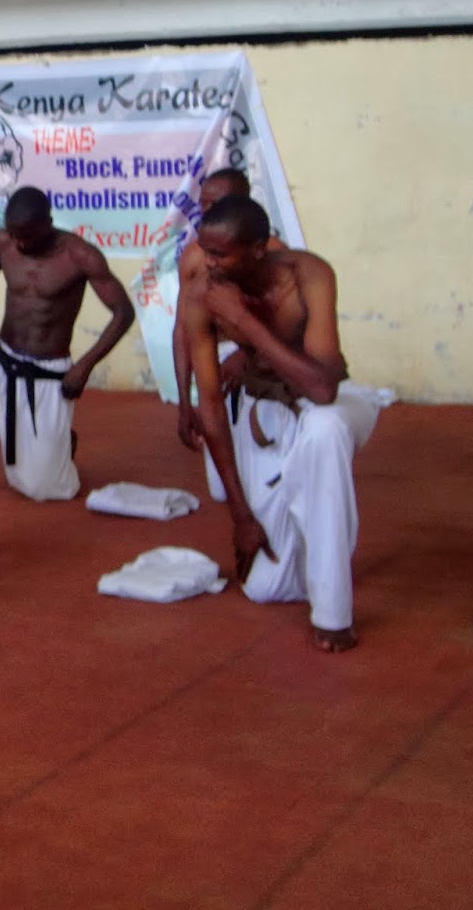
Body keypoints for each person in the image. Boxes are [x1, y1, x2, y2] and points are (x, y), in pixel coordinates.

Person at [182, 194, 377, 653]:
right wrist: (240, 516)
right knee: (266, 589)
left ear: (257, 249)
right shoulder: (201, 294)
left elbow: (324, 388)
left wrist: (243, 323)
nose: (207, 264)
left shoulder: (309, 275)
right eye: (205, 251)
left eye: (219, 254)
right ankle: (320, 547)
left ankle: (333, 616)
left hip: (331, 406)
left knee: (324, 434)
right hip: (267, 411)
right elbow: (210, 406)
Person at [0, 186, 135, 501]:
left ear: (48, 223)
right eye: (15, 236)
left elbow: (123, 312)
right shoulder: (3, 242)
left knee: (42, 488)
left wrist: (84, 365)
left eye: (28, 236)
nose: (21, 243)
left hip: (45, 371)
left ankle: (61, 442)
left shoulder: (79, 255)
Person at [171, 167, 286, 498]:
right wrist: (183, 402)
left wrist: (245, 356)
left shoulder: (274, 254)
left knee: (268, 479)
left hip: (263, 366)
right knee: (223, 488)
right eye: (202, 204)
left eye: (214, 204)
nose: (205, 212)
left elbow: (287, 329)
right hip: (213, 364)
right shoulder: (194, 257)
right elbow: (182, 329)